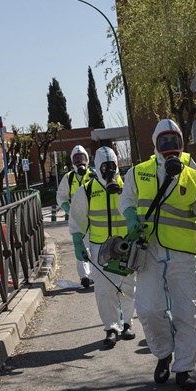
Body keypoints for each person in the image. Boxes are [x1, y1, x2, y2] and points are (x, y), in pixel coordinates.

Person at [119, 119, 196, 391]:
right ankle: (163, 352)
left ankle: (184, 368)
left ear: (182, 143)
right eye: (164, 142)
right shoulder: (138, 172)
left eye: (175, 142)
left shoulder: (193, 177)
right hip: (149, 252)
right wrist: (131, 218)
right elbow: (126, 200)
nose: (170, 148)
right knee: (148, 309)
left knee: (186, 313)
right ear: (155, 145)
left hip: (182, 255)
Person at [68, 146, 136, 347]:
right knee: (105, 289)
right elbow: (77, 219)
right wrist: (77, 242)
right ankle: (111, 327)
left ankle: (126, 324)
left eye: (111, 166)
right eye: (104, 167)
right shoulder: (86, 191)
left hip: (126, 246)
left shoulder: (129, 186)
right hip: (100, 249)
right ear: (97, 167)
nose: (108, 170)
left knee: (128, 286)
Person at [56, 145, 93, 288]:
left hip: (93, 216)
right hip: (77, 218)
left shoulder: (93, 175)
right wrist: (69, 209)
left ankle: (94, 274)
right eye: (77, 159)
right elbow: (61, 197)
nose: (80, 162)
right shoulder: (68, 178)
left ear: (87, 159)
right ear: (72, 162)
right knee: (80, 246)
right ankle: (85, 276)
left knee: (94, 246)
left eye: (82, 158)